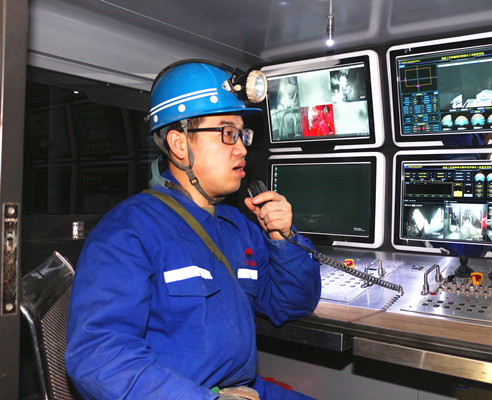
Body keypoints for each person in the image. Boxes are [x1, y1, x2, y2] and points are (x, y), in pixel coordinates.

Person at [65, 60, 322, 400]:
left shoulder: (237, 227)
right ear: (179, 144)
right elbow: (99, 356)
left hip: (244, 388)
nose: (242, 148)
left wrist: (284, 239)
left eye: (242, 134)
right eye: (228, 133)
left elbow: (292, 305)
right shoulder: (128, 231)